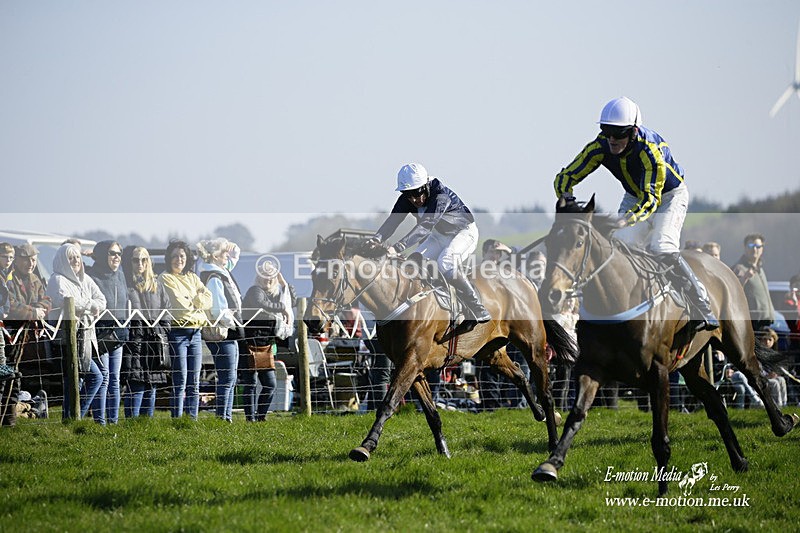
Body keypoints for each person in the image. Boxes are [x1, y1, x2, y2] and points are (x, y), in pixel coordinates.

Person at [554, 96, 718, 332]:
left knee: (662, 246)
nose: (612, 139)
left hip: (668, 196)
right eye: (607, 131)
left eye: (619, 133)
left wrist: (624, 219)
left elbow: (651, 201)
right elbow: (565, 177)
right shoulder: (600, 146)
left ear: (633, 132)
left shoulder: (650, 151)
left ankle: (701, 303)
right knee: (617, 247)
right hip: (634, 194)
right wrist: (567, 198)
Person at [372, 163, 491, 334]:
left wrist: (398, 247)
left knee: (446, 263)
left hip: (463, 233)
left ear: (426, 186)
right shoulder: (408, 199)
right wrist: (375, 239)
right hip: (439, 235)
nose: (413, 199)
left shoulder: (440, 196)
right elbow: (392, 222)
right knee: (411, 264)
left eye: (416, 193)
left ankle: (476, 308)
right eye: (407, 194)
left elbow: (425, 226)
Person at [46, 243, 107, 422]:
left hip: (86, 338)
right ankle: (73, 418)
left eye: (78, 257)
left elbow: (102, 300)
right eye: (71, 258)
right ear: (63, 260)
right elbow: (66, 302)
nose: (75, 261)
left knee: (84, 379)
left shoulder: (85, 279)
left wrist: (88, 306)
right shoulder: (57, 279)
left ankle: (71, 420)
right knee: (88, 378)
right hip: (66, 340)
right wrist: (90, 305)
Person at [159, 240, 212, 420]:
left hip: (196, 333)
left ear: (187, 258)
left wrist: (195, 300)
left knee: (194, 381)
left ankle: (191, 419)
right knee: (180, 380)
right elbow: (180, 306)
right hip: (178, 333)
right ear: (168, 258)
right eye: (174, 256)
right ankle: (177, 419)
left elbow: (208, 298)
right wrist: (197, 301)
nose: (178, 259)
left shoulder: (192, 277)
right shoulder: (165, 278)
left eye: (182, 256)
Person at [195, 238, 243, 423]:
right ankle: (223, 417)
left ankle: (225, 416)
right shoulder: (214, 277)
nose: (227, 256)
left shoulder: (219, 271)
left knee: (230, 377)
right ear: (215, 256)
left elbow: (234, 258)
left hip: (227, 331)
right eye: (224, 253)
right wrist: (235, 322)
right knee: (227, 377)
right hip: (223, 332)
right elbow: (218, 310)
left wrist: (233, 247)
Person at [240, 262, 295, 421]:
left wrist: (284, 283)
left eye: (271, 275)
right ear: (258, 276)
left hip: (266, 345)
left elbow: (293, 300)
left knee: (269, 384)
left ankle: (260, 417)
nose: (268, 278)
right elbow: (261, 303)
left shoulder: (276, 293)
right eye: (264, 274)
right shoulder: (254, 290)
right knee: (250, 384)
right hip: (250, 343)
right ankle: (250, 420)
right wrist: (281, 307)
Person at [121, 246, 170, 417]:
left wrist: (162, 330)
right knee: (136, 386)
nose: (140, 263)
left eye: (144, 259)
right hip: (135, 343)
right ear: (130, 262)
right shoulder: (125, 283)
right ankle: (132, 427)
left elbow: (167, 310)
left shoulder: (157, 285)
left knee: (151, 387)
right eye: (136, 260)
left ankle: (145, 428)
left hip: (155, 343)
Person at [86, 240, 129, 424]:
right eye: (112, 253)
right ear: (103, 255)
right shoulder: (92, 275)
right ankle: (100, 421)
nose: (116, 257)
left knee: (114, 379)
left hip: (117, 333)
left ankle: (113, 421)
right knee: (103, 378)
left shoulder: (120, 274)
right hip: (100, 333)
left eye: (119, 253)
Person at [4, 245, 53, 396]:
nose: (31, 263)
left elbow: (47, 300)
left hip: (29, 338)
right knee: (9, 370)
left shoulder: (35, 279)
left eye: (33, 260)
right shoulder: (9, 278)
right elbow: (10, 305)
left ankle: (16, 406)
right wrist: (33, 311)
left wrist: (39, 308)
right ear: (17, 260)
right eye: (26, 260)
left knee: (19, 372)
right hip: (10, 333)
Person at [730, 233, 775, 331]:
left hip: (765, 321)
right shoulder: (739, 268)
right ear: (745, 248)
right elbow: (732, 293)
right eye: (751, 246)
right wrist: (744, 278)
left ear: (762, 249)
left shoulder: (760, 269)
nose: (754, 249)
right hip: (751, 323)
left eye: (758, 246)